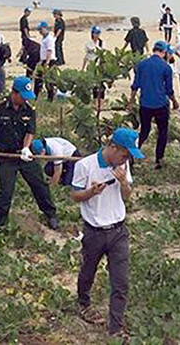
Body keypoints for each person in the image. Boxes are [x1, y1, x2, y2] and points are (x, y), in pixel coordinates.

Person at [70, 127, 142, 338]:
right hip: (94, 232)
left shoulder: (124, 164)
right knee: (88, 271)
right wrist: (90, 192)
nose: (126, 158)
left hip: (118, 230)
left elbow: (127, 195)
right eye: (124, 153)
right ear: (112, 147)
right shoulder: (85, 165)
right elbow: (74, 196)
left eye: (128, 155)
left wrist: (122, 182)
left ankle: (115, 328)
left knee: (120, 282)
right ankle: (84, 303)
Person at [0, 76, 59, 231]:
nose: (25, 100)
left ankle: (50, 214)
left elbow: (30, 131)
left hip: (24, 155)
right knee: (6, 191)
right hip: (6, 156)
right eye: (23, 96)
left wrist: (26, 147)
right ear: (14, 93)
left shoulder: (29, 110)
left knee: (39, 185)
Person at [128, 41, 179, 169]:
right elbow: (169, 90)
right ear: (165, 52)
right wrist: (175, 101)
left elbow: (135, 85)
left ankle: (131, 154)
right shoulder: (165, 67)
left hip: (145, 103)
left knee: (144, 131)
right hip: (160, 104)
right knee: (162, 132)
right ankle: (158, 160)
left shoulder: (142, 64)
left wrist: (131, 100)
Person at [35, 21, 57, 101]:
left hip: (49, 61)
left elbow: (49, 51)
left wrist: (47, 63)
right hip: (43, 60)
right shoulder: (44, 39)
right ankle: (36, 96)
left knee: (49, 81)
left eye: (41, 29)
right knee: (38, 79)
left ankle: (50, 98)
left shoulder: (49, 39)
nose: (40, 32)